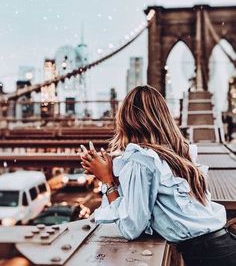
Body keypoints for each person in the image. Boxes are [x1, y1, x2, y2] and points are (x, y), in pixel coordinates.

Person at [81, 85, 236, 266]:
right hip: (223, 246)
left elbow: (131, 228)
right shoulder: (177, 154)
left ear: (125, 119)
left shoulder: (140, 160)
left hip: (208, 257)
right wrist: (115, 177)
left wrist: (107, 181)